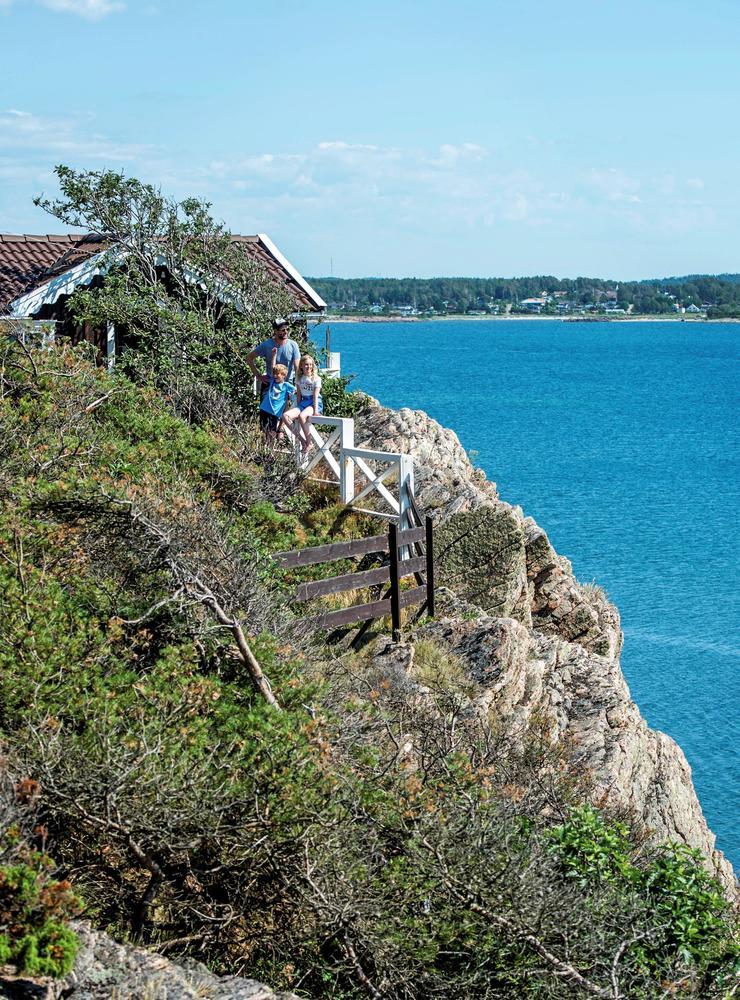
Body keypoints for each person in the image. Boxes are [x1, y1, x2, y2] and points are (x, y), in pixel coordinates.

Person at [281, 354, 323, 459]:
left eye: (310, 365)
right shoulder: (299, 378)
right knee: (285, 416)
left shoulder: (316, 378)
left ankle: (309, 443)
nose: (308, 367)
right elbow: (299, 395)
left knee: (302, 416)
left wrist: (316, 411)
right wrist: (296, 408)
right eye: (306, 365)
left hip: (314, 403)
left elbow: (315, 396)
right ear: (301, 366)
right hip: (303, 402)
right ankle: (302, 441)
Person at [245, 318, 301, 396]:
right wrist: (258, 376)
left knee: (287, 408)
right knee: (265, 408)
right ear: (275, 331)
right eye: (283, 330)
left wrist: (297, 385)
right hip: (270, 383)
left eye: (287, 329)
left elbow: (297, 367)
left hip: (287, 384)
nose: (286, 332)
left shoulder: (293, 345)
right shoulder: (267, 345)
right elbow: (249, 358)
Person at [259, 361, 294, 445]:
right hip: (265, 408)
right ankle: (265, 447)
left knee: (272, 431)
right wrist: (274, 355)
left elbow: (297, 391)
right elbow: (272, 366)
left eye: (277, 374)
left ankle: (270, 449)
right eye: (274, 373)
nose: (275, 375)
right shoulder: (272, 382)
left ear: (284, 375)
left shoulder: (286, 385)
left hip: (275, 412)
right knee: (264, 429)